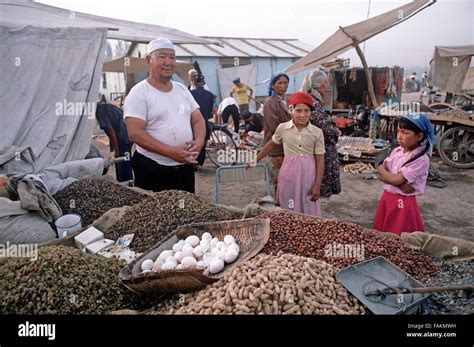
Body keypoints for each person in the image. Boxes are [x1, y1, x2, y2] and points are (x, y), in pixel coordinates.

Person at [124, 38, 206, 193]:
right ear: (149, 60)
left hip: (184, 167)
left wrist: (200, 141)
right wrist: (171, 152)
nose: (168, 62)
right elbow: (135, 133)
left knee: (186, 211)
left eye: (172, 57)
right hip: (152, 168)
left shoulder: (182, 89)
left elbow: (198, 118)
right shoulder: (139, 93)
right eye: (162, 56)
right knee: (155, 214)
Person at [253, 92, 325, 216]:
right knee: (288, 204)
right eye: (298, 110)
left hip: (308, 175)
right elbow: (271, 144)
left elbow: (320, 159)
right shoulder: (283, 128)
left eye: (306, 111)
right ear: (291, 110)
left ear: (311, 112)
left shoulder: (317, 132)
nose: (302, 115)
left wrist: (317, 184)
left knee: (308, 204)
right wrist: (255, 159)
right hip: (288, 174)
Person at [373, 112, 436, 235]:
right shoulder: (397, 151)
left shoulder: (421, 158)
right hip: (387, 197)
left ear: (419, 136)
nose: (399, 136)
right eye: (399, 131)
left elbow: (387, 174)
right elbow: (380, 171)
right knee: (383, 234)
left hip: (403, 202)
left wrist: (391, 177)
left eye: (405, 133)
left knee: (400, 236)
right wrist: (397, 182)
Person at [300, 68, 341, 198]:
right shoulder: (312, 102)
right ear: (318, 84)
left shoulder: (315, 101)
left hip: (322, 148)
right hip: (319, 150)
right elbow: (323, 127)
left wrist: (332, 125)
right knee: (316, 186)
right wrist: (333, 129)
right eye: (326, 82)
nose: (328, 85)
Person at [263, 72, 291, 189]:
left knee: (288, 179)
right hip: (275, 148)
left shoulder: (287, 100)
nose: (283, 85)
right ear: (273, 85)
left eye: (285, 83)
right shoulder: (270, 102)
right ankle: (279, 205)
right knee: (278, 181)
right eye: (279, 83)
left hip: (287, 147)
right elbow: (274, 126)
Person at [95, 102, 134, 182]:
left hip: (123, 138)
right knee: (123, 162)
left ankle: (126, 185)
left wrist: (116, 150)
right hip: (128, 134)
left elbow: (110, 130)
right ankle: (123, 183)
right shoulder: (107, 106)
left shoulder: (100, 111)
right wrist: (112, 148)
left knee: (123, 161)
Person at [190, 73, 216, 168]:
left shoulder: (190, 94)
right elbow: (210, 112)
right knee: (202, 144)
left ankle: (193, 162)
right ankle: (200, 163)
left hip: (191, 123)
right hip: (204, 123)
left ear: (194, 83)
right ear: (203, 83)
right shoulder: (210, 95)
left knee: (192, 142)